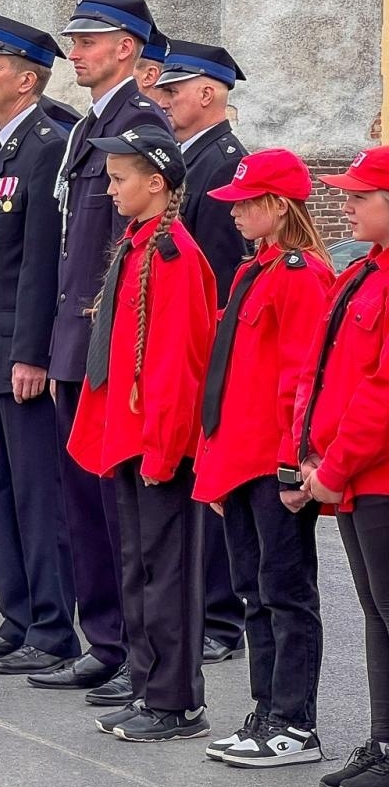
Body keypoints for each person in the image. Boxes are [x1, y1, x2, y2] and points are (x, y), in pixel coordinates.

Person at [35, 0, 171, 702]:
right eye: (73, 40)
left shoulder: (141, 122)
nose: (75, 53)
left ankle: (130, 649)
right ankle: (106, 639)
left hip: (108, 348)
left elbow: (137, 250)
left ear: (126, 48)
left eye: (88, 42)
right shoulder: (89, 128)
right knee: (83, 507)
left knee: (119, 511)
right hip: (72, 342)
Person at [69, 124, 216, 742]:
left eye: (121, 178)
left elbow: (178, 362)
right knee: (137, 565)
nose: (110, 189)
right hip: (128, 434)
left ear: (156, 184)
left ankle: (176, 702)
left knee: (167, 571)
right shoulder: (139, 243)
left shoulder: (173, 253)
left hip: (157, 440)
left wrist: (162, 446)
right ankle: (146, 682)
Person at [194, 149, 332, 768]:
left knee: (285, 591)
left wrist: (293, 461)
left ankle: (294, 723)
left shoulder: (300, 275)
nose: (237, 213)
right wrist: (215, 463)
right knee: (255, 591)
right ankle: (266, 710)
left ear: (278, 206)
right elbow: (232, 375)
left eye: (248, 203)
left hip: (271, 462)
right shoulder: (260, 270)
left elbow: (304, 378)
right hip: (240, 459)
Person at [0, 16, 79, 674]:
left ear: (27, 78)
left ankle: (54, 629)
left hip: (19, 356)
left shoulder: (46, 146)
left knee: (35, 496)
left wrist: (31, 352)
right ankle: (18, 615)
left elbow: (39, 264)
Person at [154, 39, 252, 665]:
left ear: (209, 93)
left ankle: (220, 616)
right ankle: (202, 606)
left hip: (208, 344)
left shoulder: (222, 165)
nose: (161, 101)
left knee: (210, 477)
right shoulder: (191, 159)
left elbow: (216, 270)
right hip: (180, 341)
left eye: (172, 91)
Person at [295, 147, 389, 787]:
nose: (346, 204)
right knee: (377, 617)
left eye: (360, 196)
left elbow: (381, 393)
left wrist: (335, 464)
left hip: (376, 476)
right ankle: (384, 741)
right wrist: (314, 459)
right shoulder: (365, 274)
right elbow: (324, 374)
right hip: (354, 476)